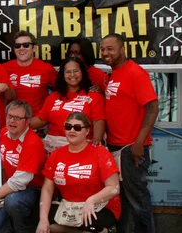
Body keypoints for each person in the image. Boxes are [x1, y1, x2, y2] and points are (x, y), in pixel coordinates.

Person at [100, 33, 158, 233]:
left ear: (122, 49)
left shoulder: (135, 72)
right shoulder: (112, 75)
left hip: (131, 149)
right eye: (102, 49)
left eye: (110, 48)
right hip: (115, 147)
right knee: (123, 199)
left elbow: (152, 107)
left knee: (138, 200)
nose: (105, 53)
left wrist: (139, 143)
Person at [36, 112, 121, 233]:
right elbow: (47, 189)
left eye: (77, 127)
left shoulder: (100, 152)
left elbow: (114, 187)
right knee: (38, 216)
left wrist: (91, 201)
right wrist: (43, 219)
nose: (72, 130)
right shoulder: (56, 155)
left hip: (99, 206)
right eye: (68, 126)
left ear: (87, 131)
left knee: (90, 222)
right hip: (70, 207)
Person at [0, 101, 47, 233]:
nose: (12, 121)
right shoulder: (3, 133)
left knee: (13, 202)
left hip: (34, 189)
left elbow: (19, 181)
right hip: (13, 188)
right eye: (9, 116)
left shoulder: (32, 143)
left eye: (17, 118)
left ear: (28, 122)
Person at [31, 57, 106, 154]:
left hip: (82, 147)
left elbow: (98, 121)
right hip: (53, 147)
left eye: (76, 71)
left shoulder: (95, 96)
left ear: (82, 73)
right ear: (62, 75)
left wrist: (97, 142)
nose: (72, 75)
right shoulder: (53, 97)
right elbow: (41, 119)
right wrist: (19, 123)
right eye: (68, 72)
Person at [2, 31, 57, 116]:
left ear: (34, 48)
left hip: (38, 124)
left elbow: (62, 91)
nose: (21, 48)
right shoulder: (4, 68)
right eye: (17, 46)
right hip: (12, 122)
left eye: (26, 45)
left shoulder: (46, 68)